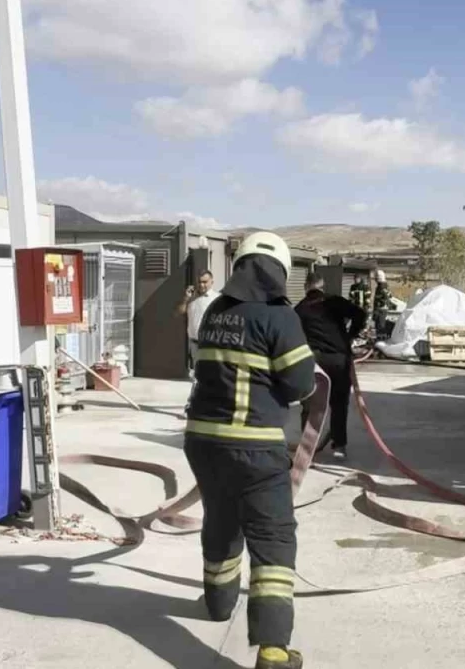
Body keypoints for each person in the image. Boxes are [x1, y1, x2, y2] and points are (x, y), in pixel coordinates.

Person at [184, 231, 316, 669]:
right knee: (273, 539)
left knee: (221, 520)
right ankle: (274, 650)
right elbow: (300, 385)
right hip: (256, 448)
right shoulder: (279, 317)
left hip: (203, 443)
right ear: (279, 271)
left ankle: (218, 605)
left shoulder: (215, 311)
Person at [294, 274, 367, 461]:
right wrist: (350, 336)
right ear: (322, 286)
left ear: (305, 286)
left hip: (314, 362)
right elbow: (360, 314)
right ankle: (339, 446)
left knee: (310, 405)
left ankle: (307, 448)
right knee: (339, 404)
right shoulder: (334, 301)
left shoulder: (300, 309)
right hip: (339, 360)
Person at [177, 270, 220, 377]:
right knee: (198, 373)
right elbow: (179, 312)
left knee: (210, 373)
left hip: (210, 342)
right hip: (194, 343)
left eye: (205, 282)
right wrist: (186, 298)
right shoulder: (191, 298)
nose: (201, 285)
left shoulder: (217, 298)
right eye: (199, 282)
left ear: (212, 282)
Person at [372, 269, 392, 338]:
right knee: (381, 326)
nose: (375, 279)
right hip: (383, 310)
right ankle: (381, 339)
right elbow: (390, 296)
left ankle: (380, 340)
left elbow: (381, 300)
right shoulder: (386, 286)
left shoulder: (381, 287)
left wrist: (376, 312)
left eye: (376, 278)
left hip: (380, 310)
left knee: (380, 327)